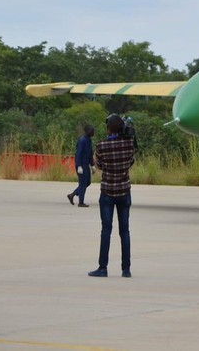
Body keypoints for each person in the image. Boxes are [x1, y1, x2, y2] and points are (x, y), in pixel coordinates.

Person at [89, 114, 135, 278]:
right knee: (125, 232)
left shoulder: (101, 146)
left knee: (106, 230)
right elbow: (130, 162)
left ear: (108, 129)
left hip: (107, 191)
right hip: (124, 190)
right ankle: (126, 269)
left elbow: (99, 165)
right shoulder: (129, 144)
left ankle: (102, 268)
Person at [67, 124, 95, 207]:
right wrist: (79, 165)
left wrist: (92, 165)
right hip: (81, 165)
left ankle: (72, 194)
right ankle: (81, 202)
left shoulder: (89, 140)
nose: (93, 132)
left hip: (86, 165)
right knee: (82, 183)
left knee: (87, 182)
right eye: (91, 131)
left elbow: (90, 154)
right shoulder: (82, 141)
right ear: (87, 131)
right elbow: (78, 154)